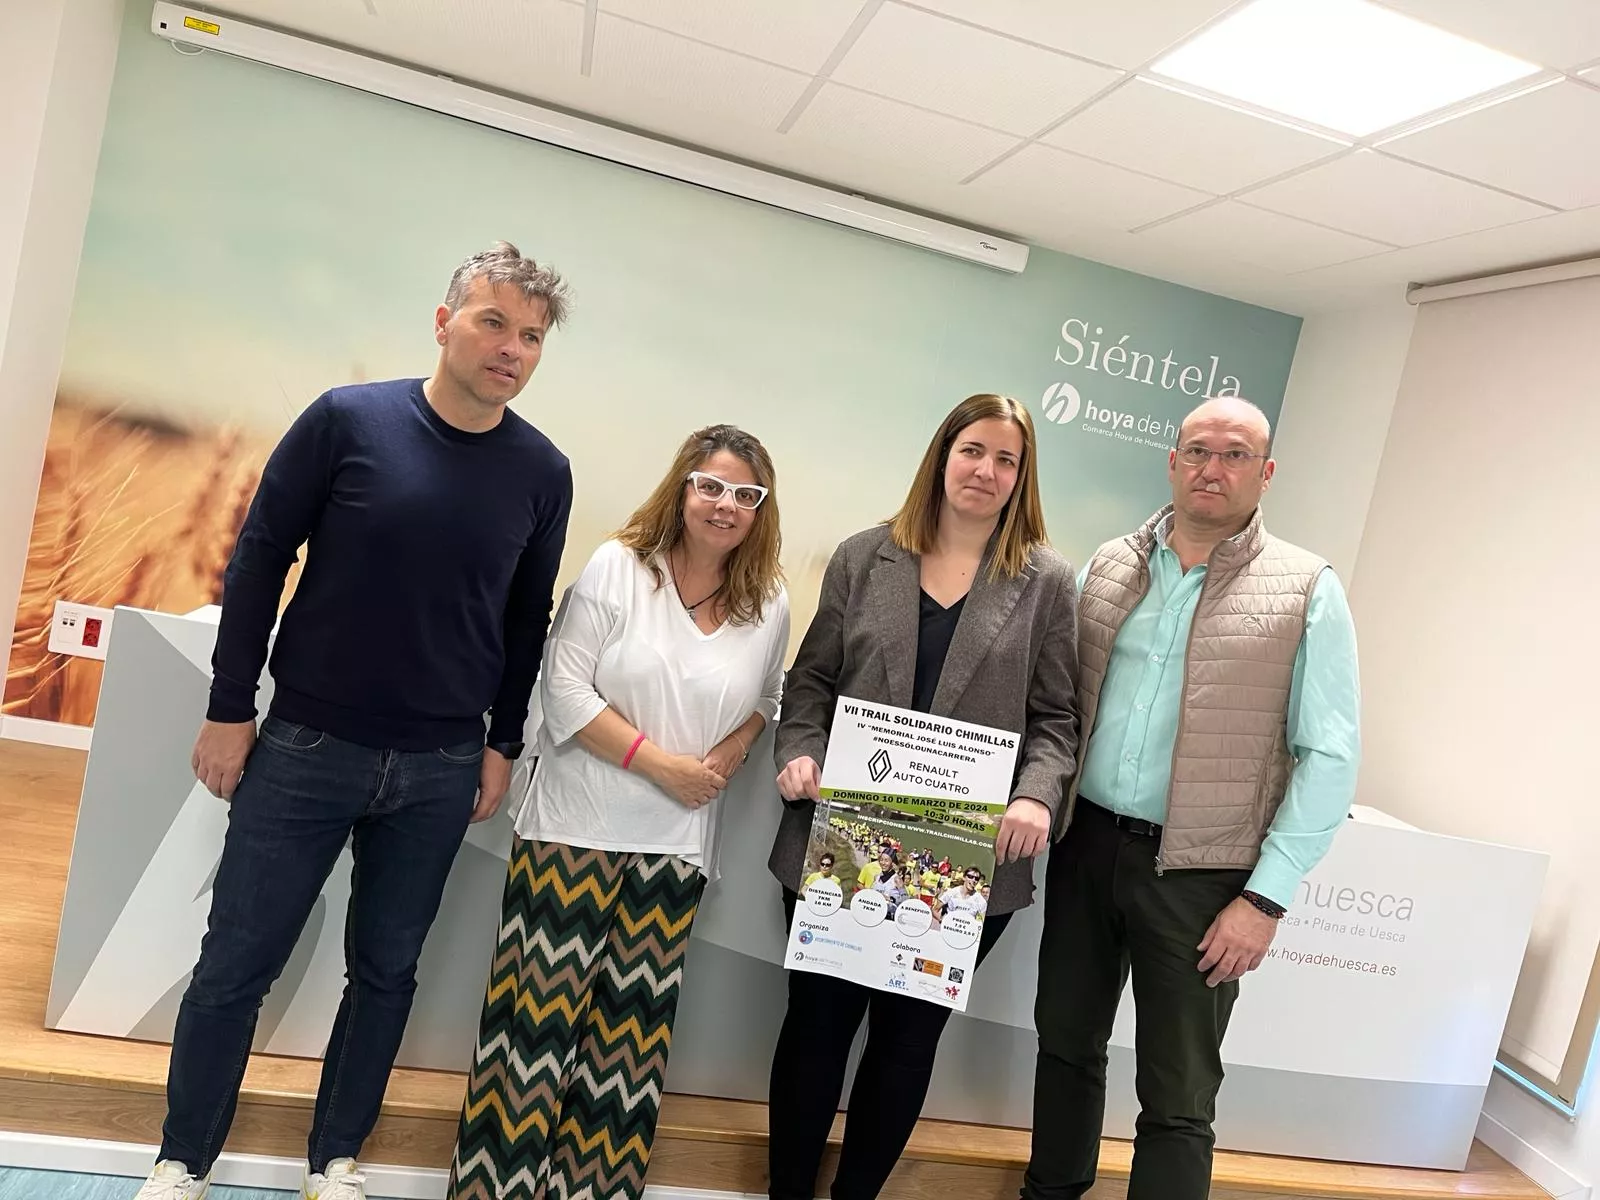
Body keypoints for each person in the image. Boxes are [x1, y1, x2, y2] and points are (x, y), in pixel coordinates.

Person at [135, 244, 573, 1200]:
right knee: (235, 964)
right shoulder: (347, 420)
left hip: (441, 764)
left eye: (532, 337)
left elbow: (524, 619)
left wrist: (503, 742)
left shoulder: (544, 472)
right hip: (305, 746)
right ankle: (182, 1161)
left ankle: (334, 1161)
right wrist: (229, 706)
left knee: (385, 975)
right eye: (494, 323)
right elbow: (259, 557)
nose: (512, 348)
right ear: (444, 322)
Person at [1022, 397, 1361, 1200]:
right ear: (1173, 462)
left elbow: (1330, 755)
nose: (1214, 468)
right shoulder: (1110, 565)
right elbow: (1061, 705)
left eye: (1235, 454)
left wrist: (1265, 899)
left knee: (1178, 1097)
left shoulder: (1306, 588)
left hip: (1202, 879)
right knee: (1065, 1046)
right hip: (1087, 847)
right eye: (1199, 450)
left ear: (1265, 473)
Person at [447, 425, 789, 1200]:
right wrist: (664, 767)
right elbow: (565, 689)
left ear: (761, 508)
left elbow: (768, 698)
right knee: (530, 1039)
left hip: (675, 848)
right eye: (711, 486)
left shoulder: (768, 602)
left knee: (625, 1056)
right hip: (575, 830)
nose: (726, 505)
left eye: (745, 494)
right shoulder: (620, 567)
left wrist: (731, 751)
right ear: (682, 487)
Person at [768, 392, 1081, 1200]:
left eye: (1006, 459)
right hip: (841, 843)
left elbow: (1057, 718)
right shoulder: (863, 556)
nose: (986, 470)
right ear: (943, 455)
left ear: (1022, 477)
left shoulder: (1047, 583)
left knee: (907, 1045)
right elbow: (812, 683)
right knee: (815, 1031)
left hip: (966, 861)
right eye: (973, 450)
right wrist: (800, 752)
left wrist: (1037, 796)